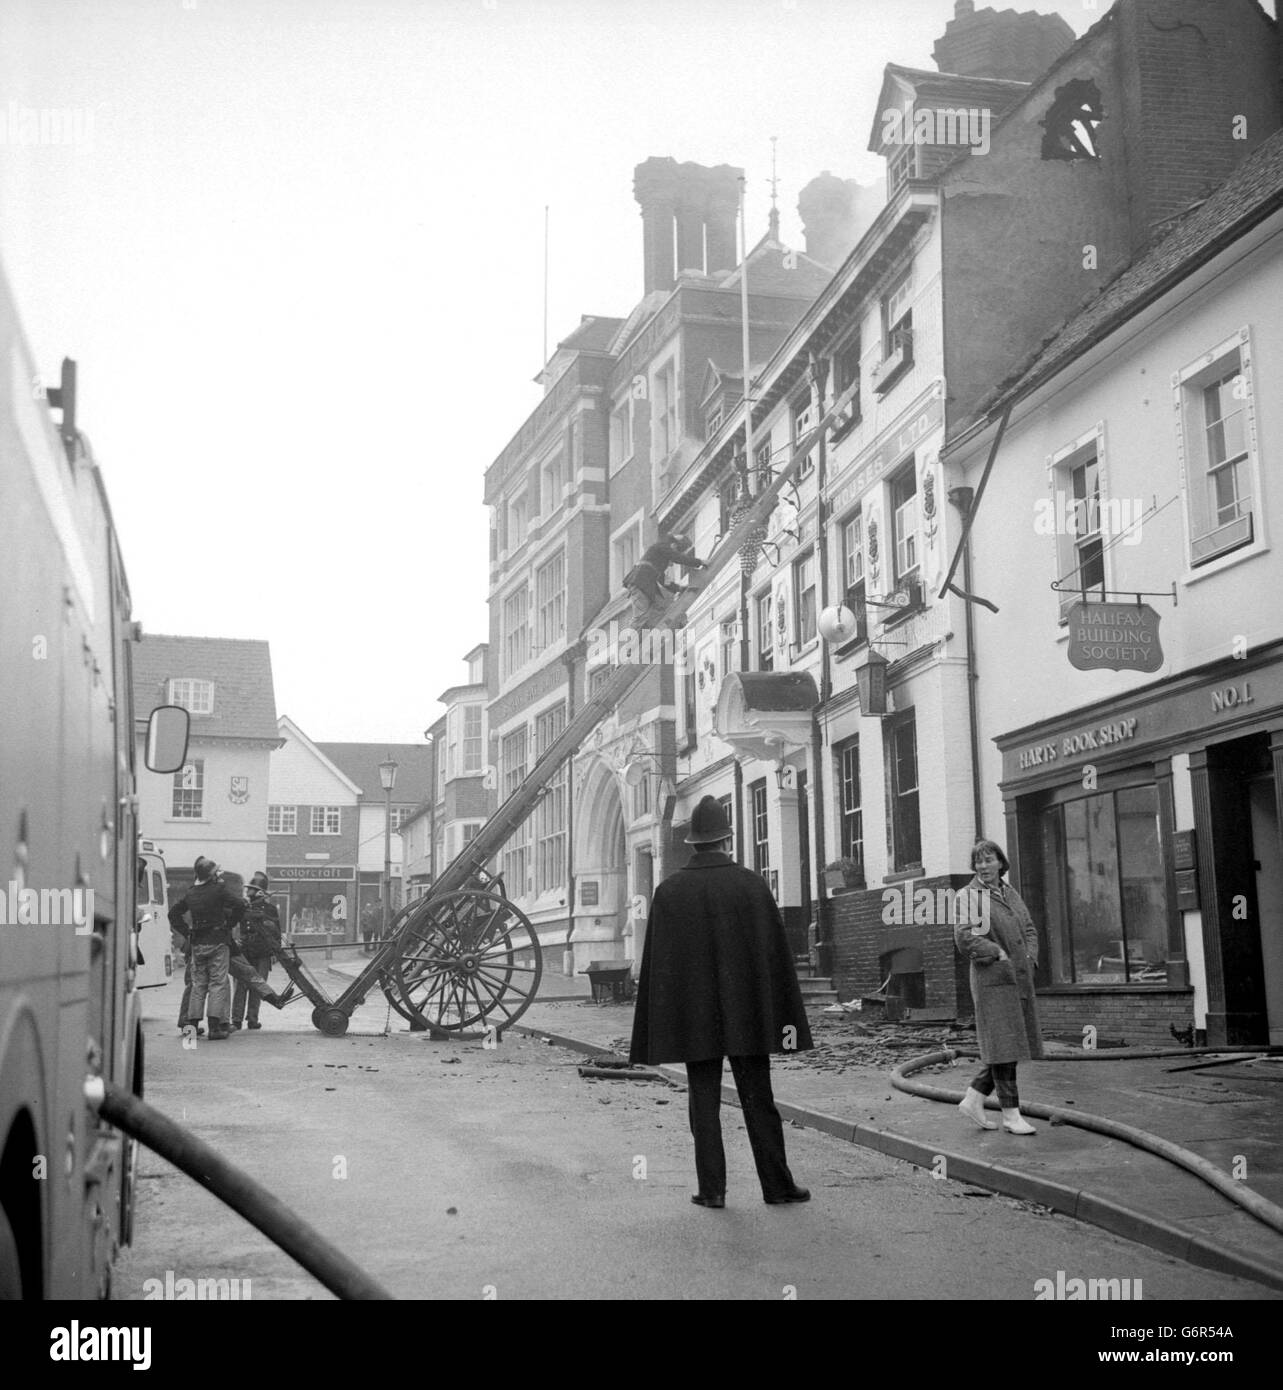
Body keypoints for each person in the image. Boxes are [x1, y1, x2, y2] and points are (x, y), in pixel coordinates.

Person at [630, 795, 813, 1208]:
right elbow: (774, 958)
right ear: (726, 839)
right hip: (747, 1013)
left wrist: (666, 1021)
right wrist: (778, 1018)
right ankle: (778, 1186)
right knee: (758, 1099)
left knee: (703, 1100)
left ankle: (712, 1189)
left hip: (696, 1018)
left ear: (693, 843)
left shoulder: (669, 892)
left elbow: (659, 965)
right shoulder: (750, 885)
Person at [954, 839, 1044, 1135]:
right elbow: (964, 937)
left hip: (1017, 977)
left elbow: (1029, 928)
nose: (984, 866)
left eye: (989, 860)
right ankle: (1011, 1114)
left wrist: (1029, 956)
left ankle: (974, 1097)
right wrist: (997, 953)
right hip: (992, 978)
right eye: (978, 861)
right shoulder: (968, 896)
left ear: (1000, 862)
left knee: (1008, 1044)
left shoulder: (1009, 891)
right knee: (1003, 1045)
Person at [168, 857, 245, 1041]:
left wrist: (187, 932)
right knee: (217, 983)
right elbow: (240, 904)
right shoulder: (219, 890)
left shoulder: (191, 892)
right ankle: (215, 1029)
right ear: (211, 876)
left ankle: (191, 1031)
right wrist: (230, 924)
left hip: (197, 944)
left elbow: (173, 914)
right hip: (218, 941)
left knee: (197, 984)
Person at [231, 871, 285, 1030]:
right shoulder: (244, 906)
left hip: (262, 953)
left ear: (259, 892)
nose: (247, 892)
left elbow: (277, 932)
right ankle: (236, 1019)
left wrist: (276, 953)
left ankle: (252, 1019)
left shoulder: (270, 909)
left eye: (251, 889)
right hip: (245, 951)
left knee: (258, 986)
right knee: (240, 986)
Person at [623, 531, 707, 623]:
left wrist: (678, 588)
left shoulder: (657, 559)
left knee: (660, 608)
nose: (671, 563)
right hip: (640, 584)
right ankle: (636, 635)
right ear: (674, 545)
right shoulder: (662, 547)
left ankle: (663, 628)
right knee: (642, 616)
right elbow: (678, 558)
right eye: (678, 551)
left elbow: (662, 578)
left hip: (645, 584)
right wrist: (700, 562)